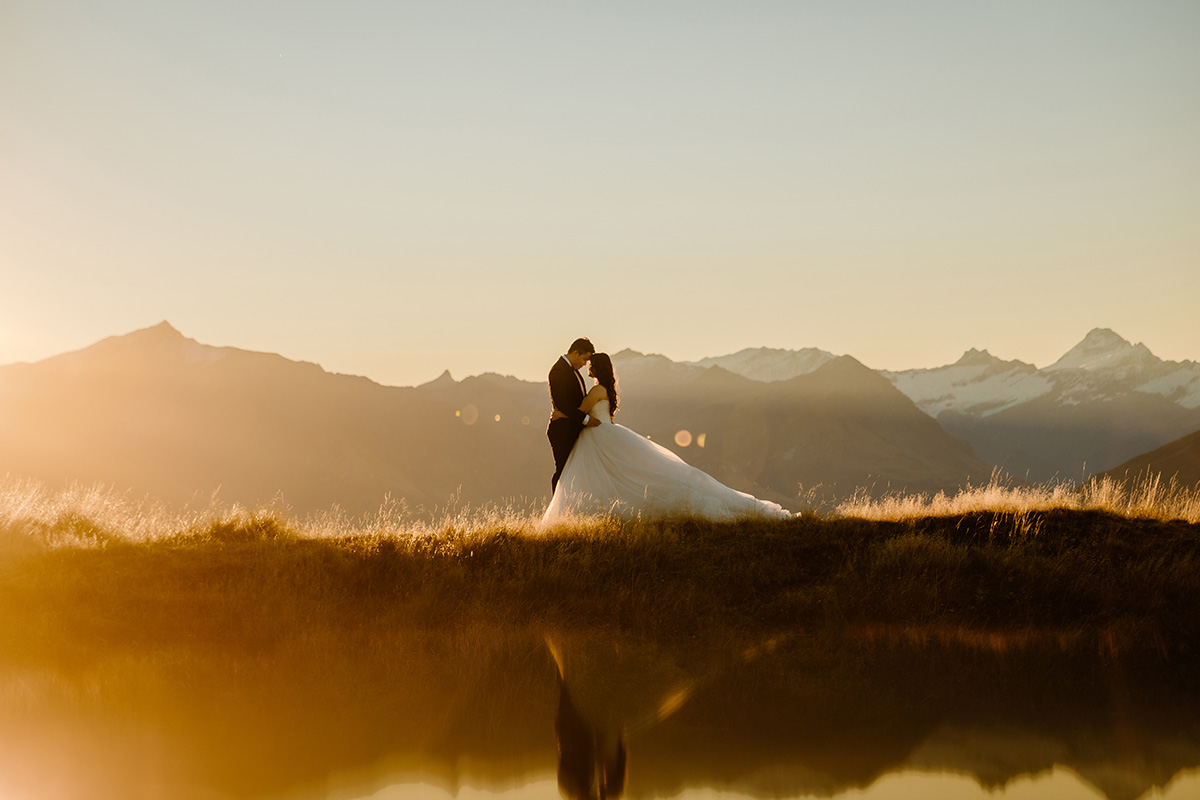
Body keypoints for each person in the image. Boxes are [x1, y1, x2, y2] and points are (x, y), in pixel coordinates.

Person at [542, 353, 791, 523]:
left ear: (596, 368)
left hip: (598, 436)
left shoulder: (596, 390)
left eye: (590, 364)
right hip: (606, 433)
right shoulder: (606, 389)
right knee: (628, 474)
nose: (588, 366)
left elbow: (580, 411)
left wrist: (558, 412)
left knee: (615, 477)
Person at [547, 338, 601, 493]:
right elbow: (562, 403)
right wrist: (586, 419)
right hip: (561, 430)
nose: (585, 363)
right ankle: (557, 510)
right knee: (563, 470)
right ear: (576, 353)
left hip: (572, 427)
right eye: (584, 359)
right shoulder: (558, 371)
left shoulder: (574, 371)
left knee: (574, 470)